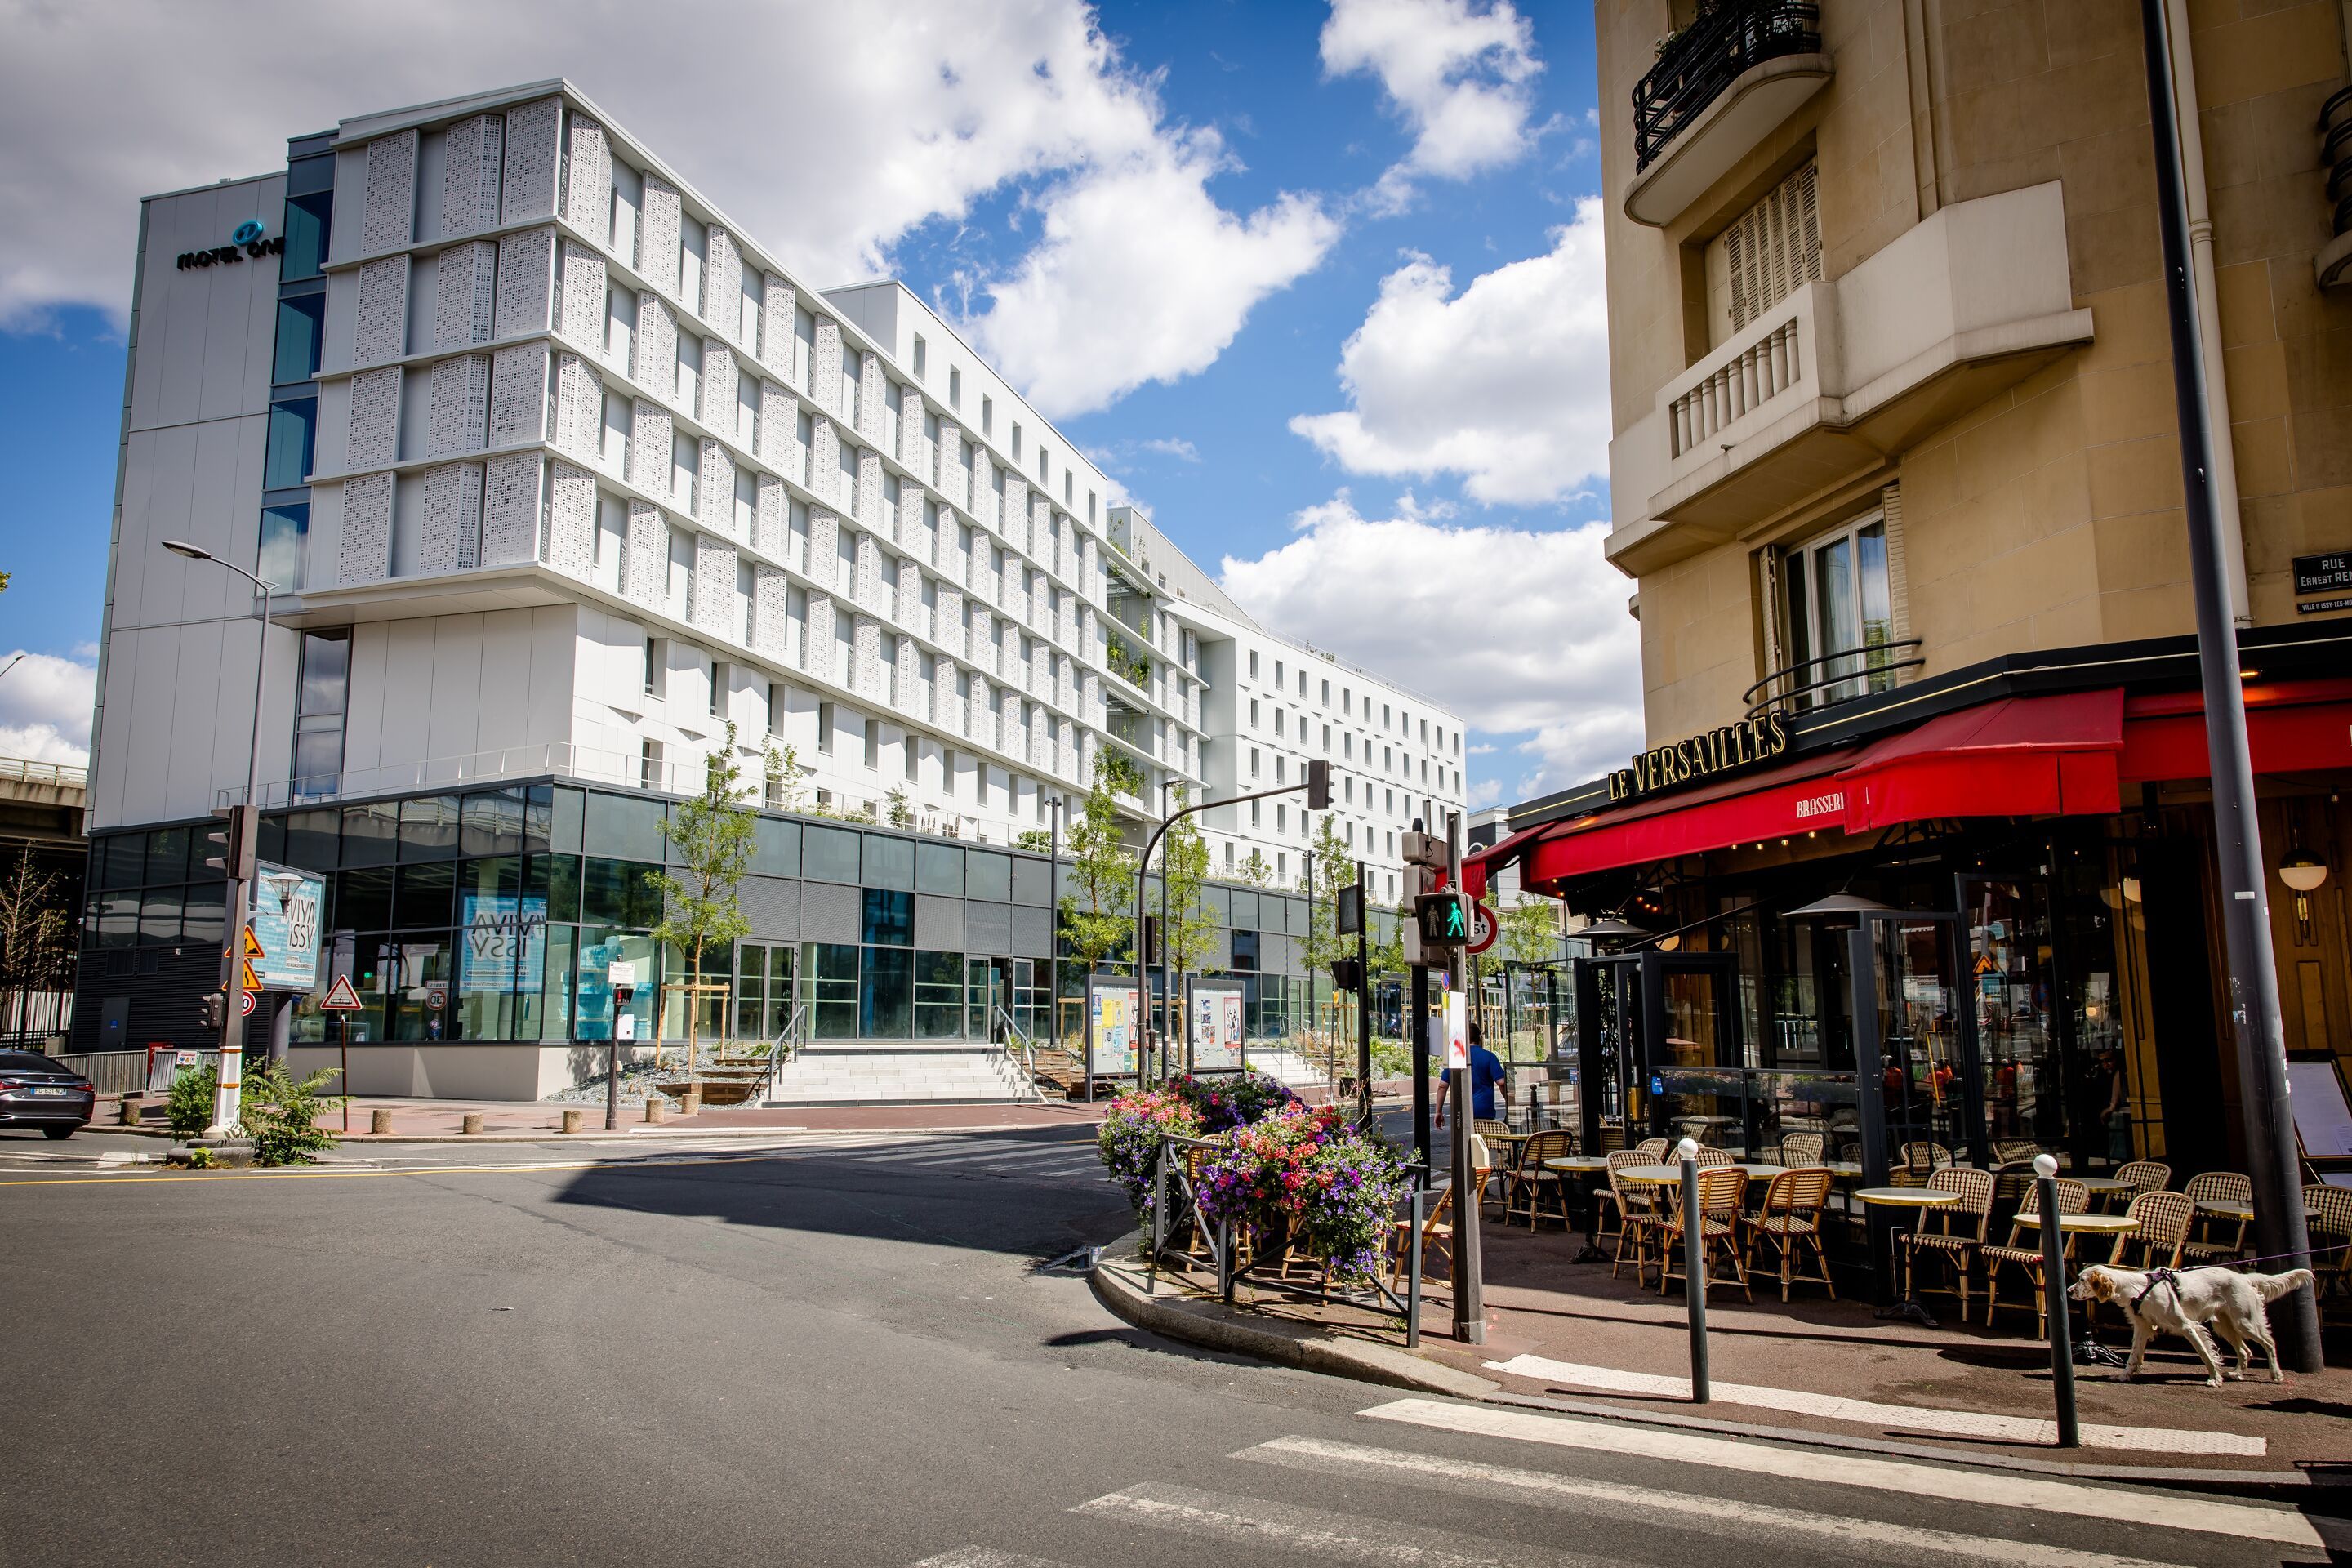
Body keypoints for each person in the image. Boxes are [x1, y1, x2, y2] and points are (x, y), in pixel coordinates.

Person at [1434, 1020, 1507, 1128]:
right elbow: (1501, 1083)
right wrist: (1508, 1102)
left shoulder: (1456, 1057)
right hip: (1484, 1110)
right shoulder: (1489, 1057)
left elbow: (1442, 1086)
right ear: (1479, 1038)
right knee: (1483, 1141)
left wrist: (1438, 1112)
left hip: (1460, 1110)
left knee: (1463, 1141)